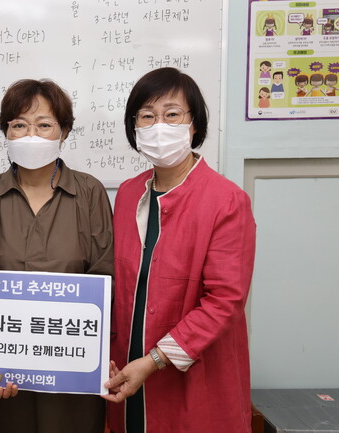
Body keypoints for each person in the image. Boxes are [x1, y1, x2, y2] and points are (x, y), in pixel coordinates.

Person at [103, 67, 256, 433]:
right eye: (147, 116)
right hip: (126, 369)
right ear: (134, 128)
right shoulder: (128, 193)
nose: (159, 126)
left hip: (193, 374)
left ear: (194, 124)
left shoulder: (227, 200)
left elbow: (224, 301)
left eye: (171, 114)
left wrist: (153, 360)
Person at [0, 78, 114, 433]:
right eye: (19, 125)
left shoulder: (90, 192)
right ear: (5, 132)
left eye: (44, 125)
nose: (31, 135)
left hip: (74, 367)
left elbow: (103, 275)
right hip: (6, 371)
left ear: (64, 131)